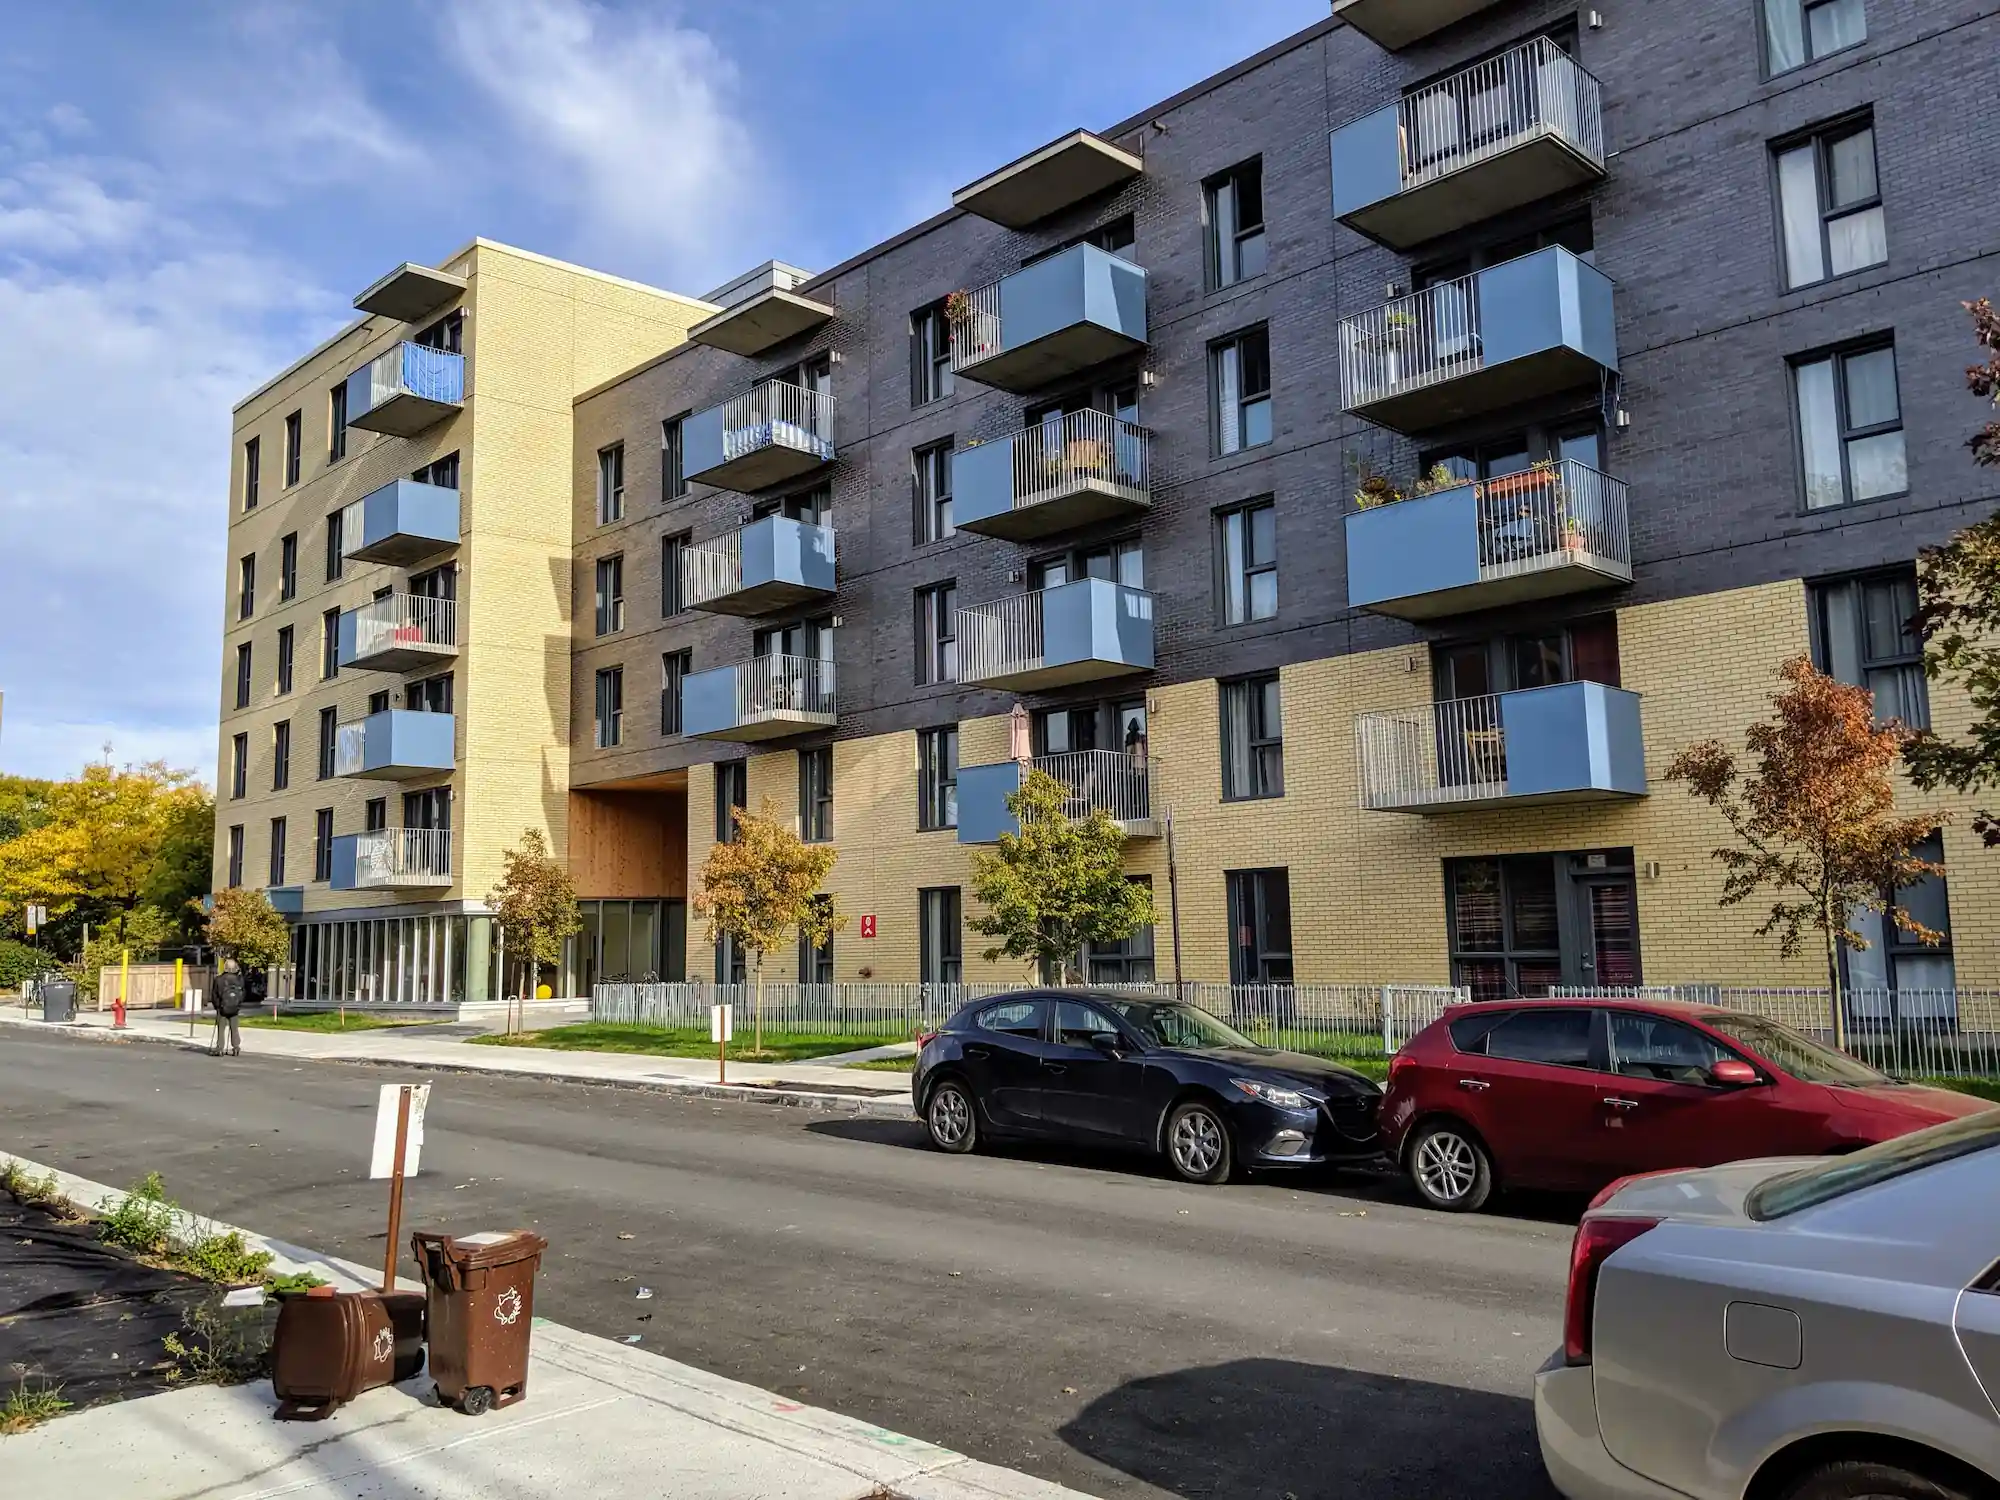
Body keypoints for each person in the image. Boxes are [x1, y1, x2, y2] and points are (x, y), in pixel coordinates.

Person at [209, 958, 246, 1057]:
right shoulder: (239, 980)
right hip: (234, 1009)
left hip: (222, 1008)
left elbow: (214, 995)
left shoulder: (218, 979)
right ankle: (236, 1047)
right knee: (234, 1028)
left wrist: (217, 1006)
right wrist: (238, 1005)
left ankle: (220, 1048)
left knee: (221, 1029)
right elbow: (243, 994)